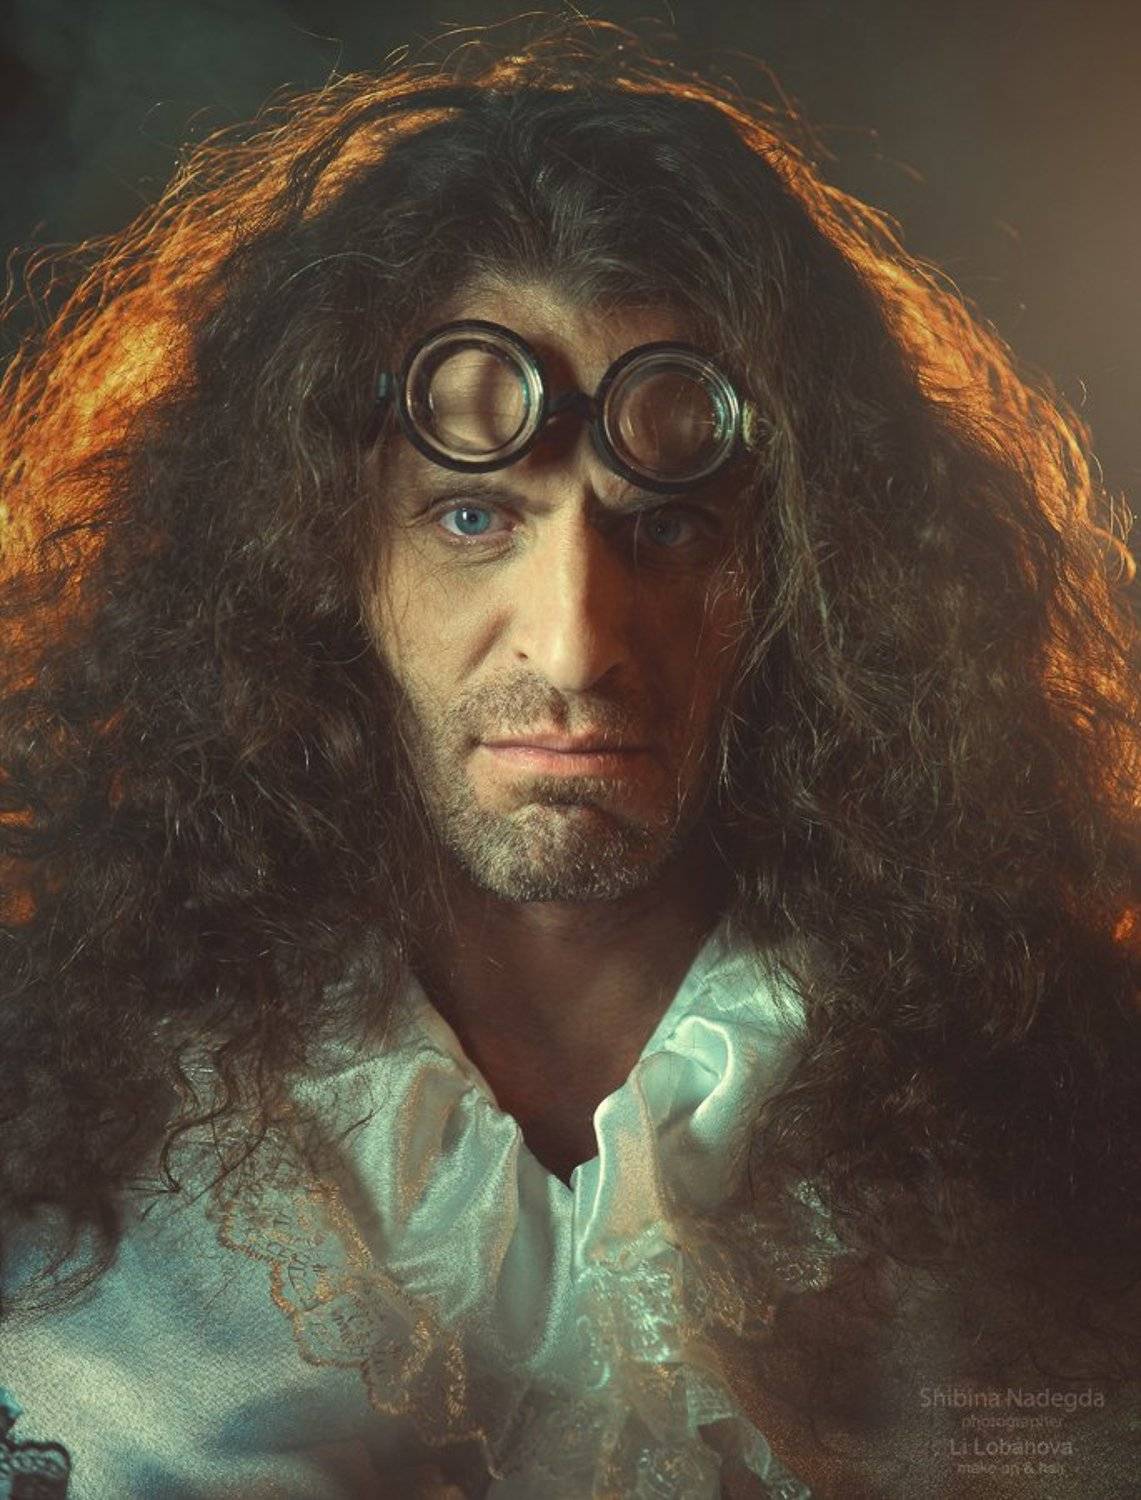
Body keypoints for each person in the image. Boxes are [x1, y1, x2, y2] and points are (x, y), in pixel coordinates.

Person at [0, 21, 1137, 1500]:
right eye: (473, 516)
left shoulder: (1037, 1102)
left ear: (818, 580)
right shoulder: (85, 1107)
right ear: (314, 557)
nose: (578, 644)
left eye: (667, 525)